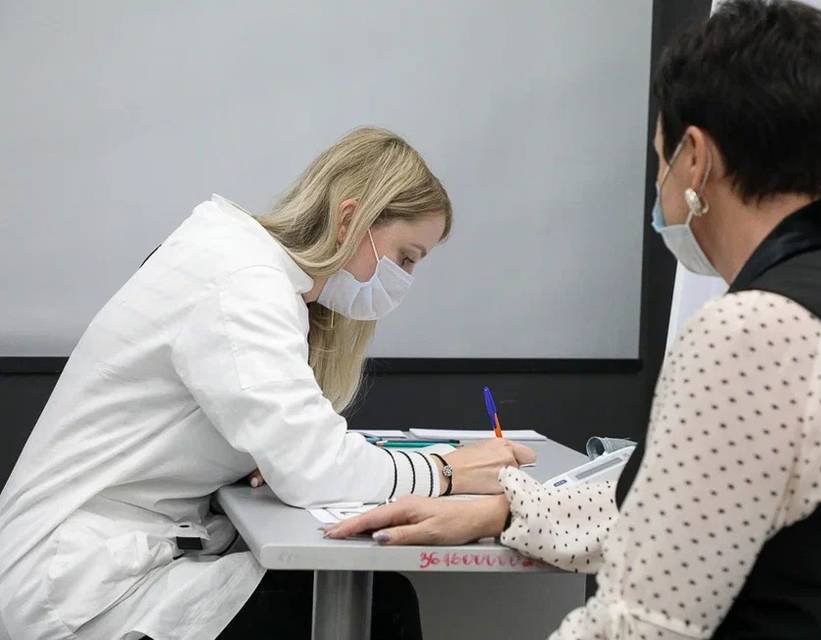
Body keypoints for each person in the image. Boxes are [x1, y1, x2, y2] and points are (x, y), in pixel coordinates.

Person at [328, 2, 821, 637]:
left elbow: (643, 622)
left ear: (695, 159)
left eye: (661, 158)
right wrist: (507, 510)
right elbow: (690, 509)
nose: (660, 183)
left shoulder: (755, 331)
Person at [0, 127, 534, 640]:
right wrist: (445, 470)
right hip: (76, 587)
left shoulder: (250, 268)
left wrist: (272, 454)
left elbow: (295, 451)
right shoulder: (243, 281)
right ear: (351, 219)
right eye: (405, 258)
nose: (405, 280)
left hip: (111, 558)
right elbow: (316, 468)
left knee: (376, 602)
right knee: (381, 609)